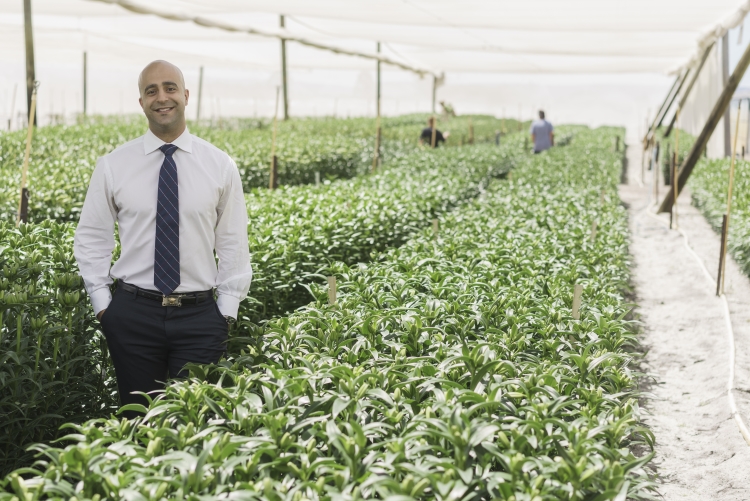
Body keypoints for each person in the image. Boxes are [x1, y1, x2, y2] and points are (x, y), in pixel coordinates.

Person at [74, 60, 252, 415]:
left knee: (195, 423)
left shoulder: (220, 165)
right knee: (137, 420)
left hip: (200, 317)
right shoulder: (113, 165)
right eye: (151, 91)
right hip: (132, 315)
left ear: (185, 95)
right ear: (141, 102)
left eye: (170, 88)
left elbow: (233, 239)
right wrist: (104, 306)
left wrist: (226, 311)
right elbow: (92, 236)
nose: (162, 97)